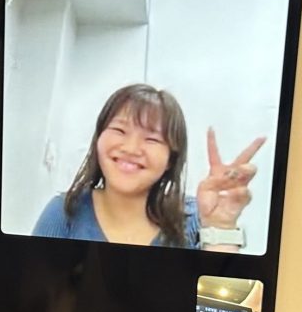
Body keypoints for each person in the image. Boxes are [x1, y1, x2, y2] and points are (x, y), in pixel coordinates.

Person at [33, 84, 265, 251]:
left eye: (152, 139)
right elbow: (31, 296)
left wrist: (221, 226)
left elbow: (221, 305)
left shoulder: (195, 219)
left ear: (171, 159)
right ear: (98, 139)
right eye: (119, 130)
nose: (131, 148)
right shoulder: (64, 212)